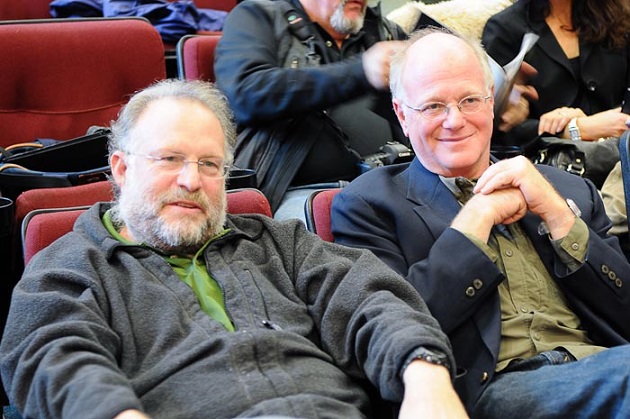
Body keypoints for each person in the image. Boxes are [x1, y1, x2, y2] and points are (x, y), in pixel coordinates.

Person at [0, 79, 467, 419]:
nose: (191, 180)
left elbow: (372, 299)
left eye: (209, 164)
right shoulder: (69, 268)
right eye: (169, 159)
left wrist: (424, 373)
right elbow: (55, 360)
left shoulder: (278, 243)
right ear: (121, 169)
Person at [331, 27, 630, 418]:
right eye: (433, 106)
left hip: (604, 363)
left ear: (491, 103)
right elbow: (396, 330)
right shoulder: (367, 204)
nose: (455, 121)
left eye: (469, 100)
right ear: (402, 115)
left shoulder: (565, 188)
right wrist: (473, 222)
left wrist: (558, 216)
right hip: (496, 387)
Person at [214, 0, 410, 218]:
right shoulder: (259, 17)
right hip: (294, 194)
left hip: (394, 184)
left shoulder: (385, 32)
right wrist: (359, 72)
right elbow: (245, 92)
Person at [481, 0, 630, 161]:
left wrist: (618, 118)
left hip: (620, 155)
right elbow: (497, 128)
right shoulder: (505, 29)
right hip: (548, 165)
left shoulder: (616, 16)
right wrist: (572, 129)